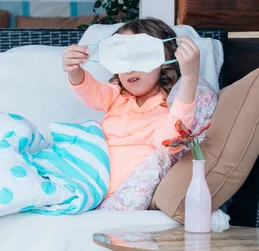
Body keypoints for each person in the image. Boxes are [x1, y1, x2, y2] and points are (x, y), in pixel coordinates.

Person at [62, 18, 200, 196]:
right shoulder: (117, 95)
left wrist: (190, 77)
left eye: (140, 57)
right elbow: (92, 93)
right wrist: (75, 71)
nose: (129, 69)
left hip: (123, 191)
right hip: (87, 178)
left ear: (164, 60)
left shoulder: (169, 106)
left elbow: (171, 140)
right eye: (122, 59)